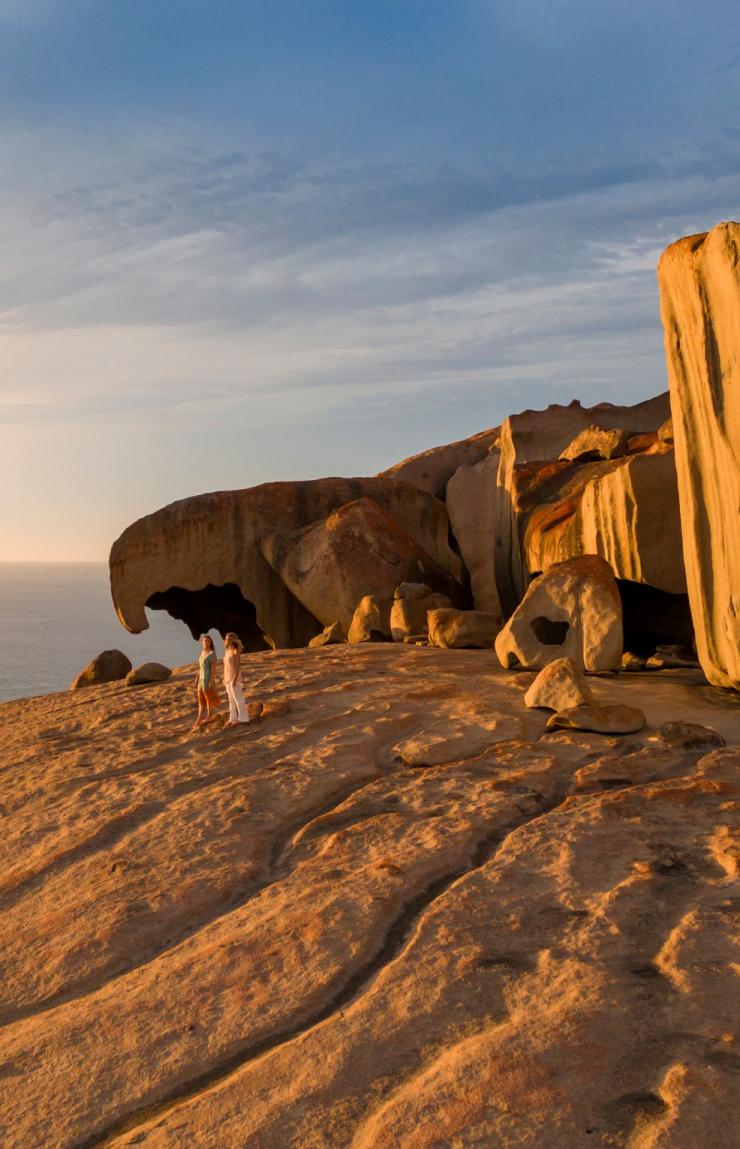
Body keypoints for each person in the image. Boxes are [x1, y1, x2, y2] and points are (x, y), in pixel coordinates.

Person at [192, 634, 220, 730]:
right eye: (205, 641)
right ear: (202, 643)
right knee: (200, 699)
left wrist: (212, 680)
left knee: (208, 698)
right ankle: (199, 718)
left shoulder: (212, 653)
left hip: (207, 678)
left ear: (210, 643)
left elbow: (213, 668)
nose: (207, 642)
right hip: (201, 679)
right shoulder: (202, 652)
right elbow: (200, 667)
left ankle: (209, 716)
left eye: (208, 641)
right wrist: (196, 678)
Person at [223, 632, 250, 726]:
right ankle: (232, 719)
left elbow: (238, 666)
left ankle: (243, 719)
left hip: (235, 678)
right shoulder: (227, 651)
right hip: (227, 678)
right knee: (231, 700)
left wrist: (234, 679)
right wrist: (225, 678)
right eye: (226, 638)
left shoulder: (236, 651)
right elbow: (226, 666)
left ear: (233, 639)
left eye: (229, 638)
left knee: (238, 698)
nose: (227, 640)